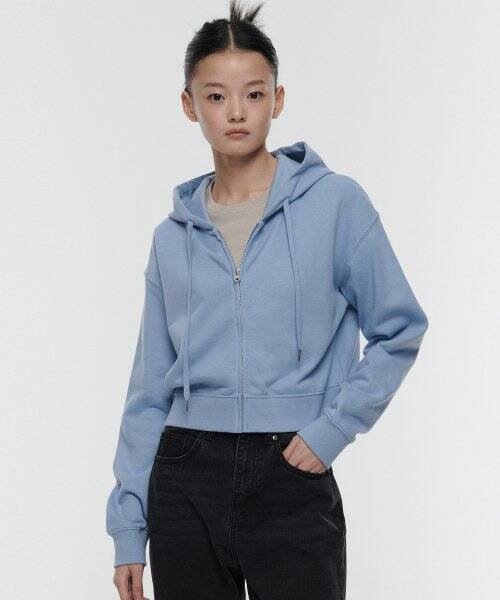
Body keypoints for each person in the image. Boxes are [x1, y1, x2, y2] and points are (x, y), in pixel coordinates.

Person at [106, 1, 429, 598]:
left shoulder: (335, 204)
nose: (236, 112)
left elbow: (399, 329)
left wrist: (333, 429)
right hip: (184, 477)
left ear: (277, 100)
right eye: (216, 96)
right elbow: (148, 389)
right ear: (189, 105)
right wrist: (129, 526)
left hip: (291, 468)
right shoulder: (172, 237)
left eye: (253, 94)